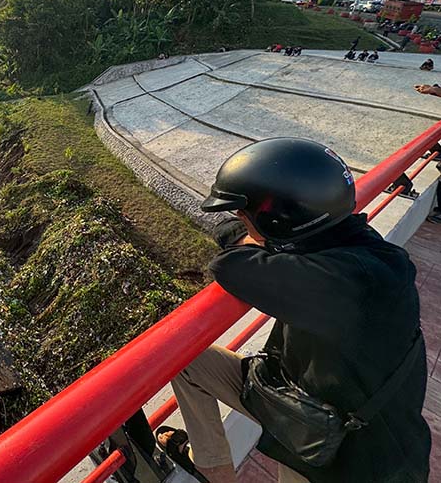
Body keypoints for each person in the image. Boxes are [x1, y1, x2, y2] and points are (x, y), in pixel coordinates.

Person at [168, 138, 429, 483]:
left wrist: (258, 237)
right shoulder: (354, 246)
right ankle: (213, 470)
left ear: (279, 224)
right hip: (299, 401)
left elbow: (230, 266)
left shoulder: (347, 282)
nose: (240, 223)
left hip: (347, 461)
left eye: (243, 216)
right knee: (186, 360)